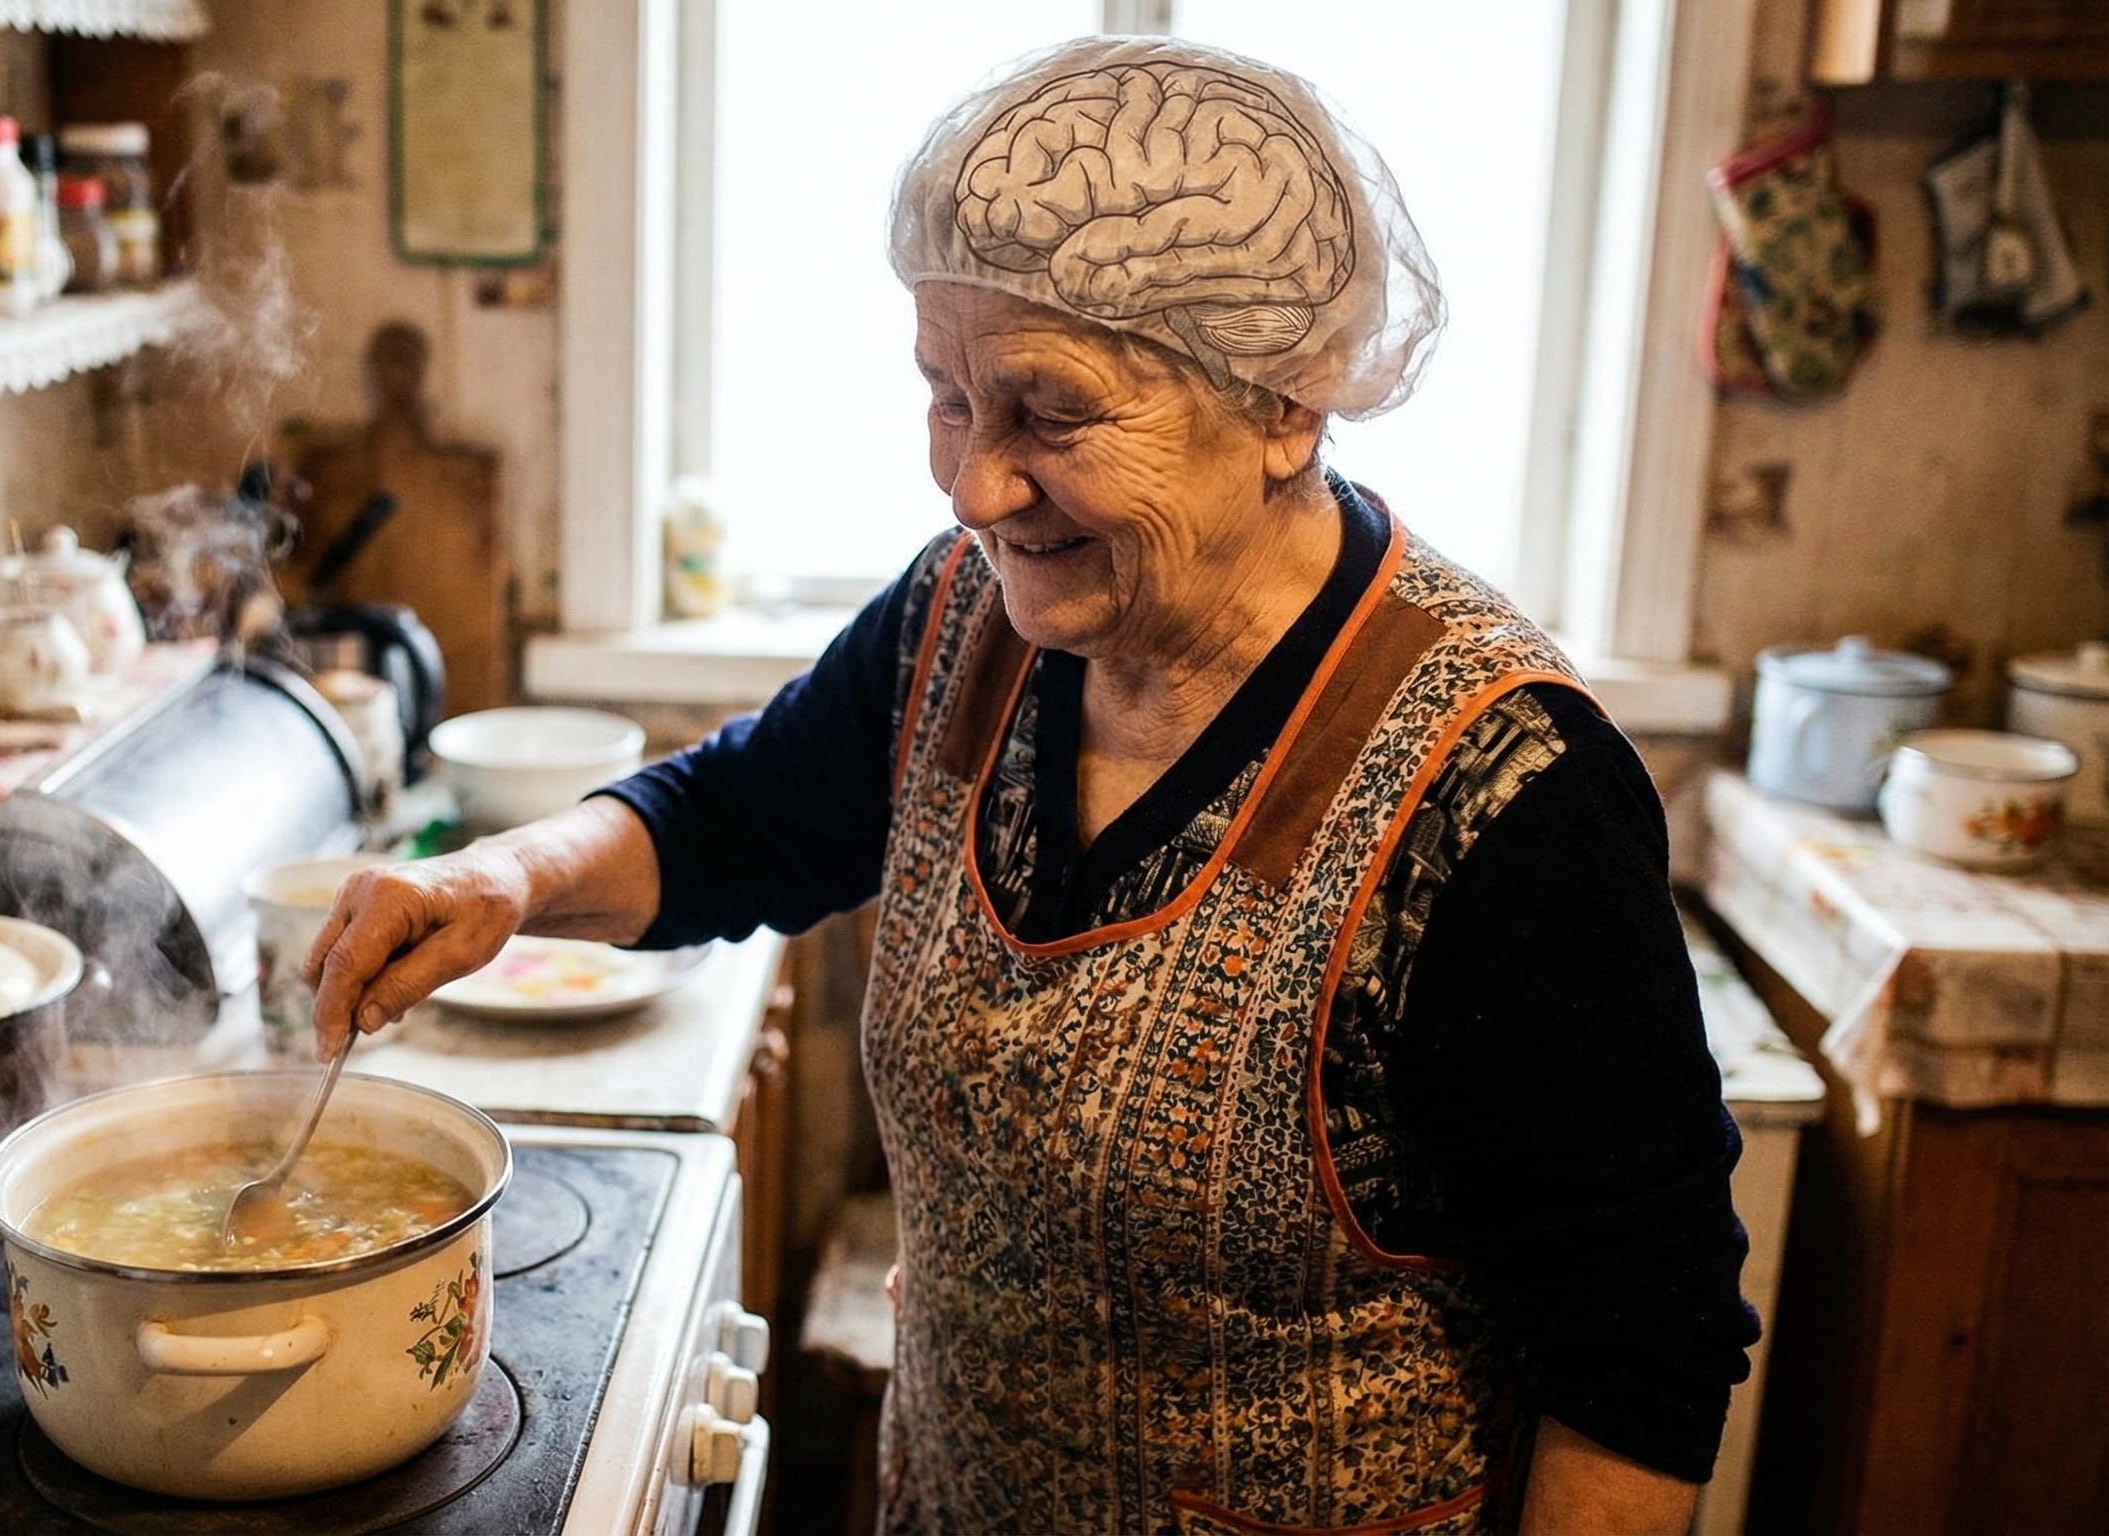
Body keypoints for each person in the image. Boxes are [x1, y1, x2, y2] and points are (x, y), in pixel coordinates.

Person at [302, 36, 1755, 1535]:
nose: (973, 487)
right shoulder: (961, 621)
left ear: (1287, 404)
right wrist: (502, 878)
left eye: (1049, 414)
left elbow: (1644, 1341)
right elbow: (738, 818)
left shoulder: (1504, 795)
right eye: (948, 398)